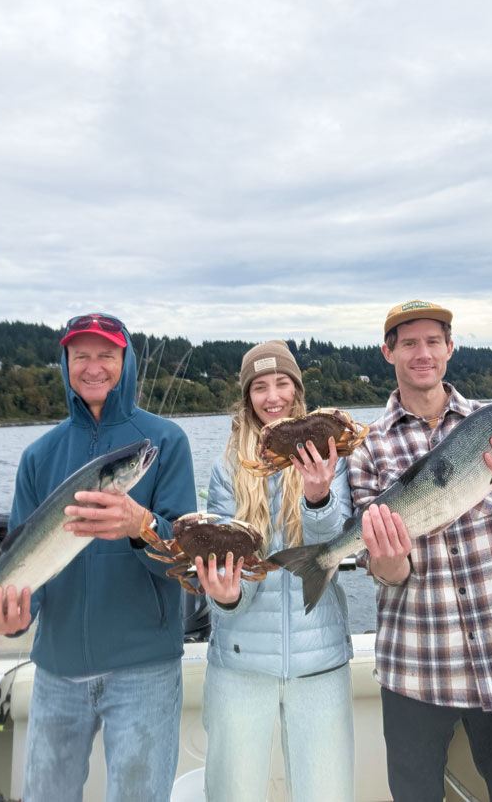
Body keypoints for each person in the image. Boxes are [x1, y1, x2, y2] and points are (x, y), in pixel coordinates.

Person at [0, 313, 197, 802]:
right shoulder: (38, 456)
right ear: (66, 363)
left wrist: (143, 528)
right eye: (81, 355)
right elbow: (24, 573)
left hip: (145, 670)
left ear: (126, 361)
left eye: (106, 355)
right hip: (56, 670)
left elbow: (187, 566)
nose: (93, 367)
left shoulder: (164, 444)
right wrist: (10, 619)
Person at [348, 300, 492, 802]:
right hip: (417, 667)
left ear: (449, 348)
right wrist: (390, 559)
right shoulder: (366, 447)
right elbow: (381, 572)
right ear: (388, 352)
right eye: (409, 343)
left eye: (433, 341)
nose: (422, 353)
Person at [196, 339, 354, 802]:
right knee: (232, 794)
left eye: (282, 383)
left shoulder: (333, 453)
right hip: (240, 664)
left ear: (297, 390)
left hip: (319, 662)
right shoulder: (228, 468)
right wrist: (224, 596)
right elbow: (223, 566)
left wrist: (317, 495)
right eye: (259, 387)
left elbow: (332, 549)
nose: (272, 397)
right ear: (247, 398)